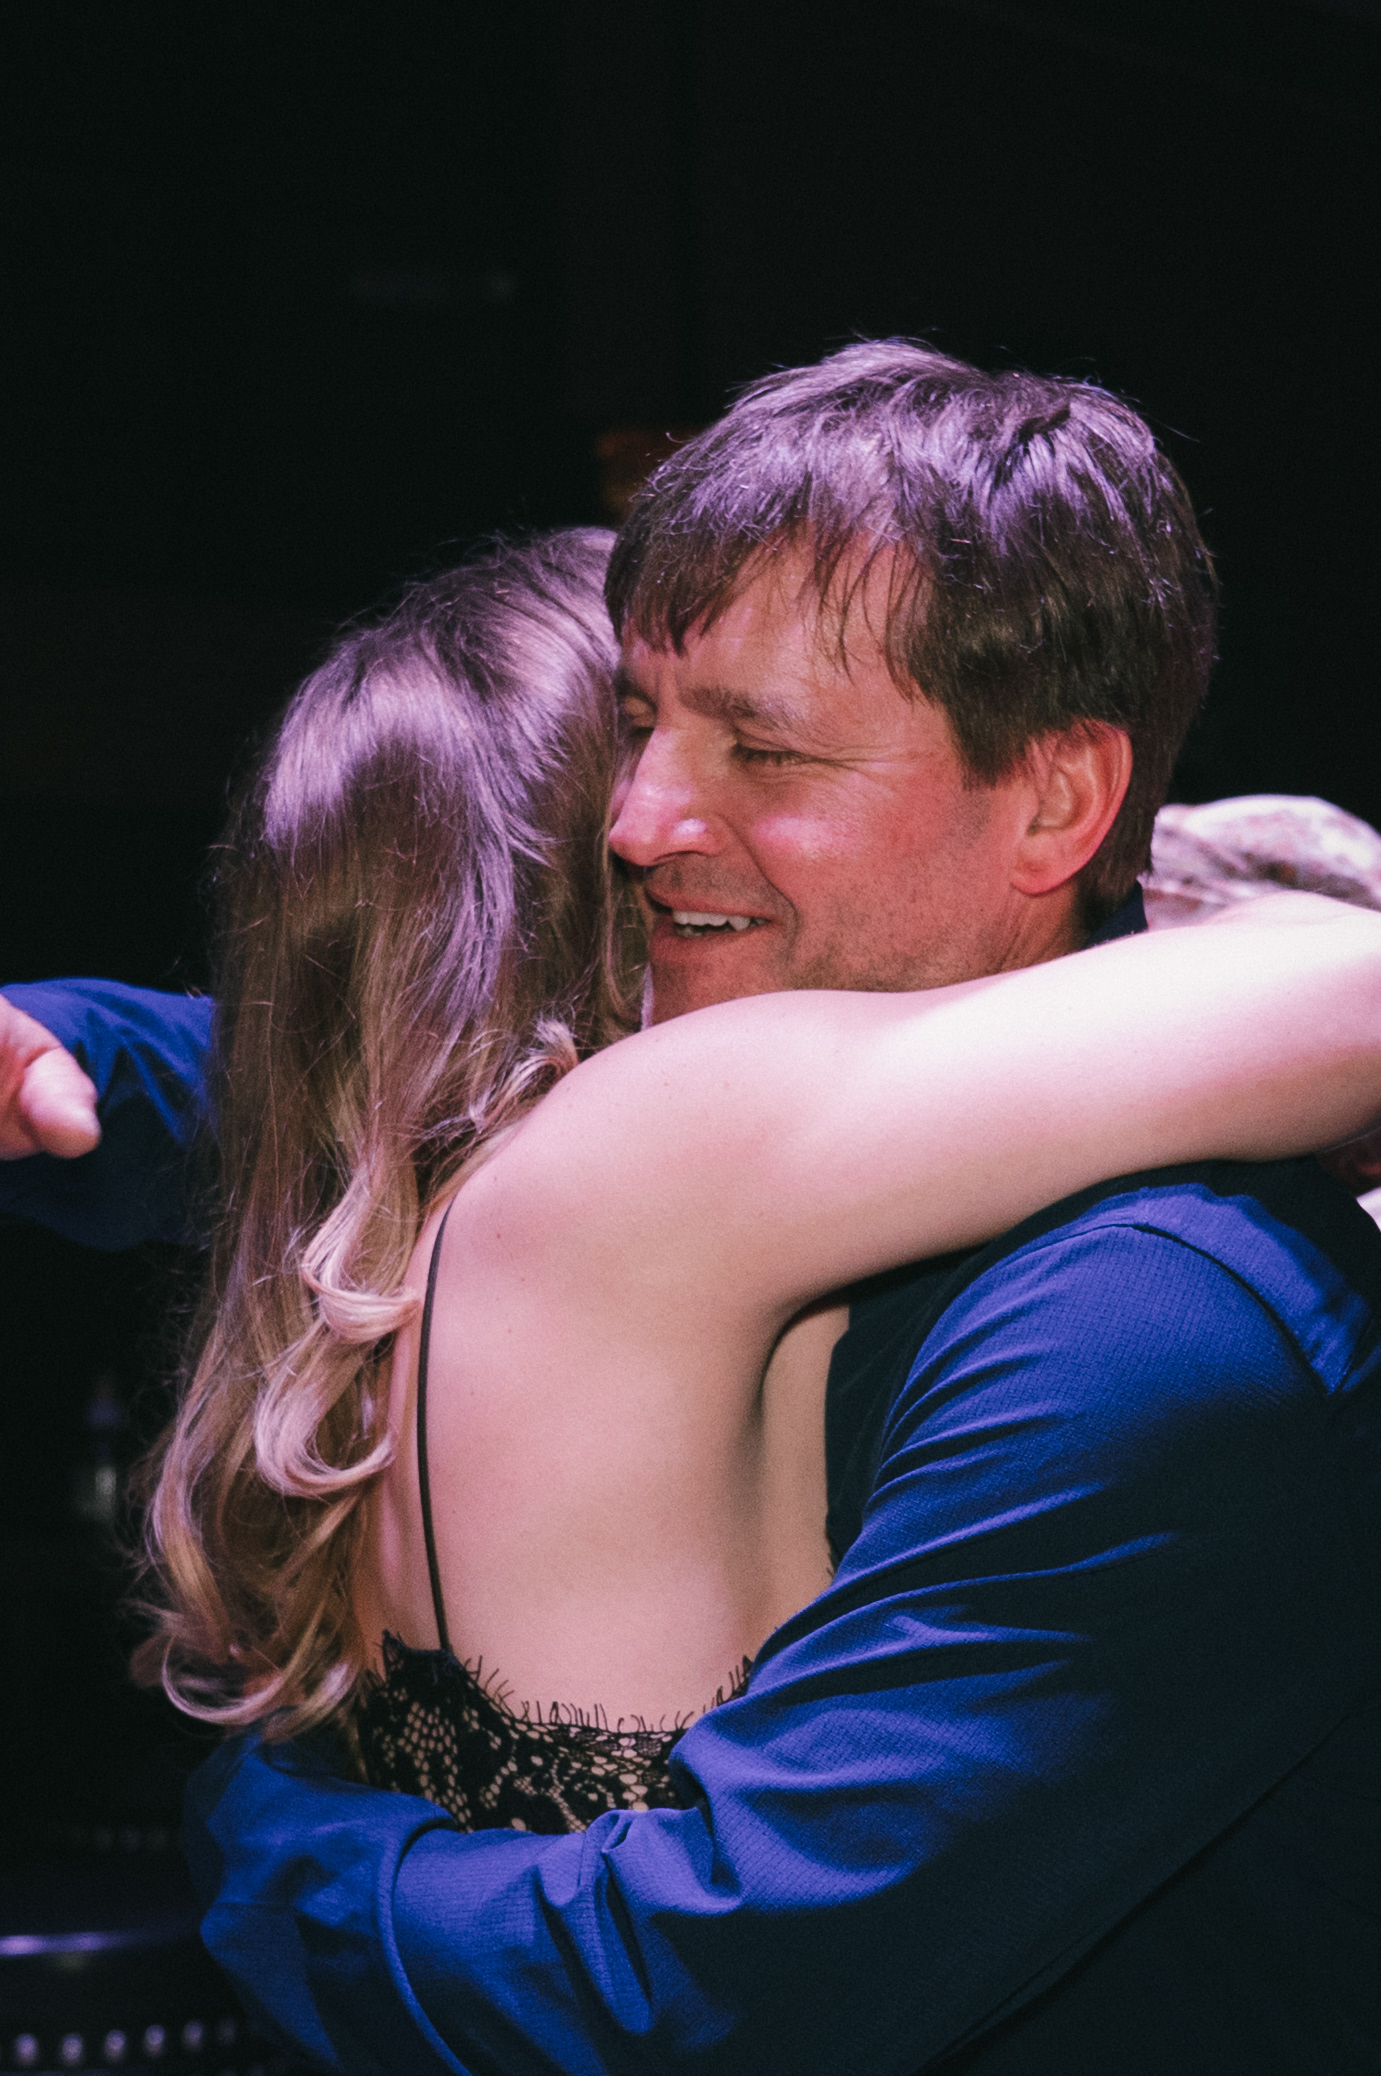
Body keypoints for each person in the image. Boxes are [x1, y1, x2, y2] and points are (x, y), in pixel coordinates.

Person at [3, 342, 1380, 2073]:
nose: (640, 818)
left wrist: (274, 1822)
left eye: (764, 751)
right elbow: (384, 1098)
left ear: (1052, 802)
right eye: (640, 722)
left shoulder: (1144, 1327)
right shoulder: (713, 1115)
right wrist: (72, 1056)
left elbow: (678, 2003)